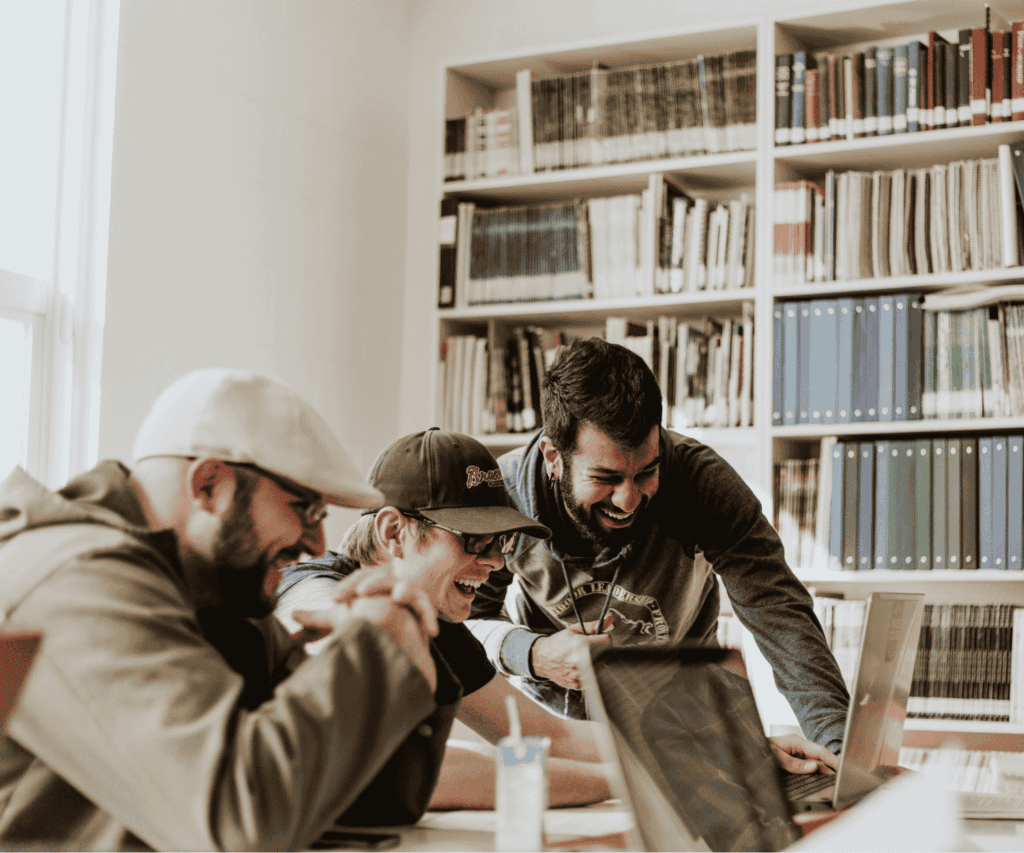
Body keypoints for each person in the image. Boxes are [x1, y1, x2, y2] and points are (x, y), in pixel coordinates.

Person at [0, 368, 446, 852]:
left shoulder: (215, 592)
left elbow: (374, 800)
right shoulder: (77, 580)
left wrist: (397, 637)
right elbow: (240, 824)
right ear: (210, 485)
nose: (317, 544)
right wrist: (376, 647)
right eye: (304, 510)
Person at [466, 336, 850, 771]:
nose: (628, 500)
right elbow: (466, 622)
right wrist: (533, 654)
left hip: (687, 722)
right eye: (605, 478)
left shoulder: (702, 483)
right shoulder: (504, 496)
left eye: (646, 472)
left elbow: (778, 610)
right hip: (561, 735)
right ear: (553, 456)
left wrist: (839, 751)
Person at [275, 427, 611, 818]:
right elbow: (397, 768)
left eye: (500, 541)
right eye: (474, 539)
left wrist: (676, 749)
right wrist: (618, 782)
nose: (496, 562)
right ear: (394, 532)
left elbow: (552, 735)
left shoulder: (431, 618)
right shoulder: (313, 591)